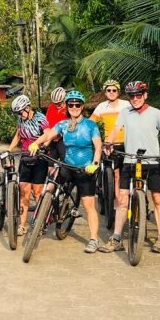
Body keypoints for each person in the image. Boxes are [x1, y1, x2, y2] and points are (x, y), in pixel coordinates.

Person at [100, 81, 160, 255]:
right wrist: (109, 142)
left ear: (145, 95)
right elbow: (115, 129)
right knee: (122, 200)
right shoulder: (125, 113)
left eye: (138, 95)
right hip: (130, 160)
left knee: (157, 199)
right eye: (131, 96)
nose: (135, 99)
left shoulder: (156, 113)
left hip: (152, 162)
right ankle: (117, 238)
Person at [29, 90, 102, 253]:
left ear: (82, 107)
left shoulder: (90, 125)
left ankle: (93, 239)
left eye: (77, 105)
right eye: (71, 105)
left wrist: (95, 163)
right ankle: (43, 217)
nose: (74, 107)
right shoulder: (63, 125)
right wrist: (36, 143)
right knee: (50, 187)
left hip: (85, 169)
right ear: (67, 107)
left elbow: (98, 146)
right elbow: (49, 134)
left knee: (89, 205)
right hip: (67, 166)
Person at [5, 95, 51, 236]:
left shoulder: (40, 118)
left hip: (39, 158)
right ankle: (23, 225)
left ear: (28, 108)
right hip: (25, 157)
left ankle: (40, 222)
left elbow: (48, 134)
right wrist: (9, 149)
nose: (19, 115)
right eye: (17, 113)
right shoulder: (21, 119)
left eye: (20, 112)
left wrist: (38, 145)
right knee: (24, 191)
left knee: (37, 192)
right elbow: (18, 135)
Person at [90, 79, 130, 201]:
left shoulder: (127, 105)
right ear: (105, 93)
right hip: (110, 145)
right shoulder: (101, 107)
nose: (111, 92)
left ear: (118, 92)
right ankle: (118, 200)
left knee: (129, 173)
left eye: (114, 90)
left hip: (128, 143)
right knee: (116, 174)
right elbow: (91, 123)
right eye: (109, 90)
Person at [45, 87, 68, 160]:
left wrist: (59, 135)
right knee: (49, 161)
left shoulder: (69, 109)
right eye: (55, 103)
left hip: (63, 139)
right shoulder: (51, 107)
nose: (57, 105)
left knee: (64, 161)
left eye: (59, 103)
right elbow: (47, 122)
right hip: (51, 138)